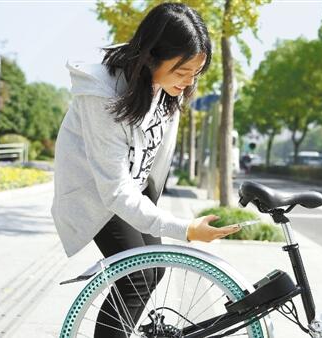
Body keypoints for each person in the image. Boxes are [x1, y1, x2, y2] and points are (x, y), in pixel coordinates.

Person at [50, 3, 240, 337]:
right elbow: (113, 190)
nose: (189, 83)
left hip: (132, 188)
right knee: (135, 278)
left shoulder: (164, 88)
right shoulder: (102, 97)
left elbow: (151, 155)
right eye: (182, 73)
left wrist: (154, 204)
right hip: (98, 194)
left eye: (196, 73)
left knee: (154, 270)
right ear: (152, 56)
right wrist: (186, 229)